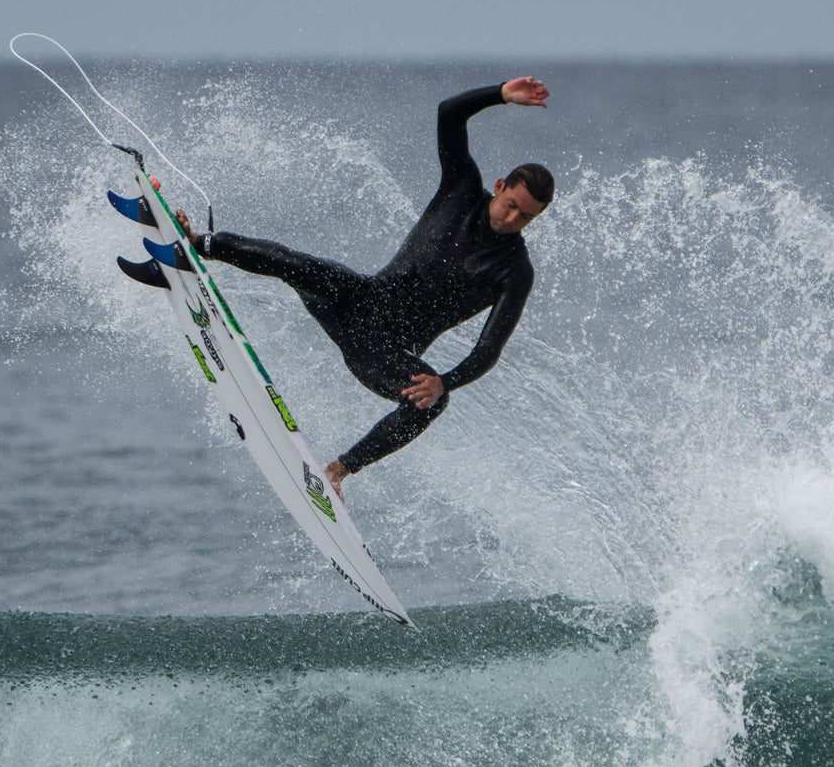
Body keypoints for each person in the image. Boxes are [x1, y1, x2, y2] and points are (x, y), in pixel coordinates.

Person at [177, 76, 553, 498]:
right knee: (293, 263)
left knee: (429, 402)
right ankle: (196, 245)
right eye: (511, 206)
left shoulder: (514, 271)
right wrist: (500, 94)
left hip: (385, 352)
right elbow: (449, 112)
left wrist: (444, 381)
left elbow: (488, 350)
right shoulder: (462, 188)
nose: (512, 219)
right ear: (499, 187)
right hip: (360, 299)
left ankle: (337, 471)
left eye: (525, 218)